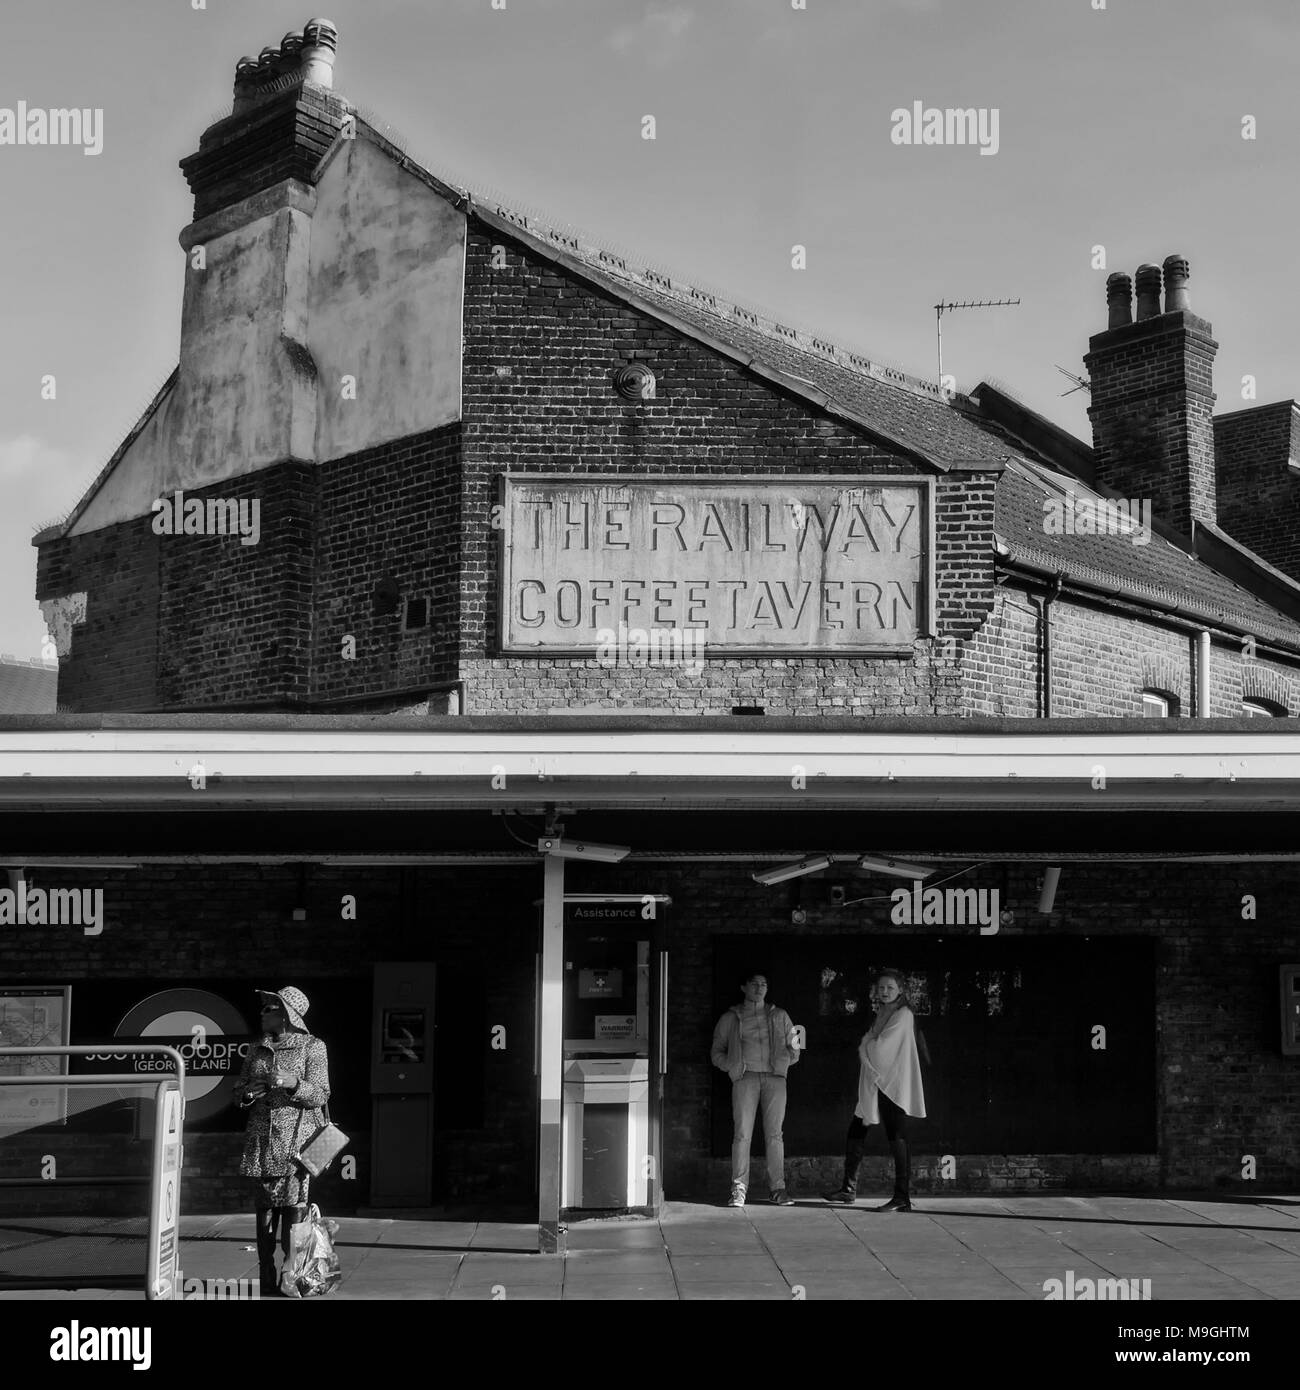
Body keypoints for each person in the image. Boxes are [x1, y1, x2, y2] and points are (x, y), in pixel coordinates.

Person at [235, 986, 331, 1296]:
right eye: (263, 1009)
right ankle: (266, 1276)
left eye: (269, 1009)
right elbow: (238, 1091)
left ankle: (294, 1277)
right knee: (263, 1211)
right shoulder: (256, 1048)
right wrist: (248, 1093)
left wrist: (292, 1083)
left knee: (294, 1211)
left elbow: (320, 1094)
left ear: (287, 1015)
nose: (262, 1014)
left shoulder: (312, 1047)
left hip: (296, 1144)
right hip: (263, 1142)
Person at [823, 968, 925, 1212]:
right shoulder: (883, 1012)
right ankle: (848, 1189)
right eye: (881, 988)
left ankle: (902, 1198)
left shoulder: (903, 1015)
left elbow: (879, 1048)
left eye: (890, 987)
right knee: (857, 1129)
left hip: (893, 1085)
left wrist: (867, 1044)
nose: (885, 991)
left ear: (900, 990)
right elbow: (872, 1041)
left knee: (896, 1137)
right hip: (875, 1083)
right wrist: (869, 1043)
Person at [710, 971, 802, 1207]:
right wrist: (731, 1067)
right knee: (742, 1134)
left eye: (764, 984)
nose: (760, 988)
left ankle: (778, 1188)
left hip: (775, 1078)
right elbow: (716, 1052)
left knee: (775, 1135)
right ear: (744, 987)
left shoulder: (780, 1015)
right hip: (745, 1078)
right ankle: (739, 1188)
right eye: (754, 984)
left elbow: (796, 1046)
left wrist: (785, 1062)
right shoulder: (731, 1017)